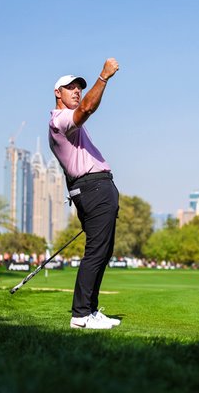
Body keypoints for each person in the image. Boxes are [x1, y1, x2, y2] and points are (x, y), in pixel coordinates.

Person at [49, 58, 122, 329]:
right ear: (58, 92)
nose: (77, 91)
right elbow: (87, 108)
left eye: (79, 87)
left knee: (103, 251)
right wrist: (103, 77)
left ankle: (90, 310)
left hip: (96, 188)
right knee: (96, 251)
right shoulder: (61, 120)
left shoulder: (69, 122)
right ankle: (80, 315)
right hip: (93, 188)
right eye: (70, 88)